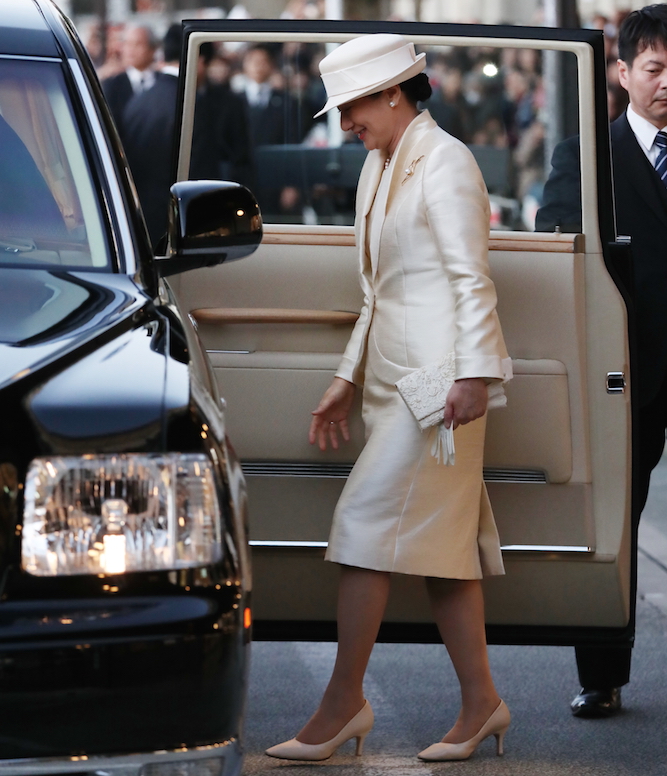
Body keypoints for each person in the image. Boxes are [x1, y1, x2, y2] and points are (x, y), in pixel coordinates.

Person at [265, 33, 512, 763]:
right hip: (391, 386)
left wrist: (474, 375)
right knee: (443, 556)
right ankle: (482, 704)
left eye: (350, 108)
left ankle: (343, 704)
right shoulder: (380, 165)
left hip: (438, 392)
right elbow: (377, 292)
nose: (345, 124)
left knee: (364, 526)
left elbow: (472, 280)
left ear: (392, 93)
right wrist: (345, 377)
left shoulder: (446, 162)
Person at [536, 4, 667, 718]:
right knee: (616, 518)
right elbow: (558, 251)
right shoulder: (585, 155)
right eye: (654, 68)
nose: (665, 83)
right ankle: (602, 675)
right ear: (620, 72)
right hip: (629, 370)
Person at [101, 24, 157, 133]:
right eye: (127, 44)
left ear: (152, 49)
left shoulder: (163, 82)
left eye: (138, 44)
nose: (131, 50)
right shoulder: (112, 85)